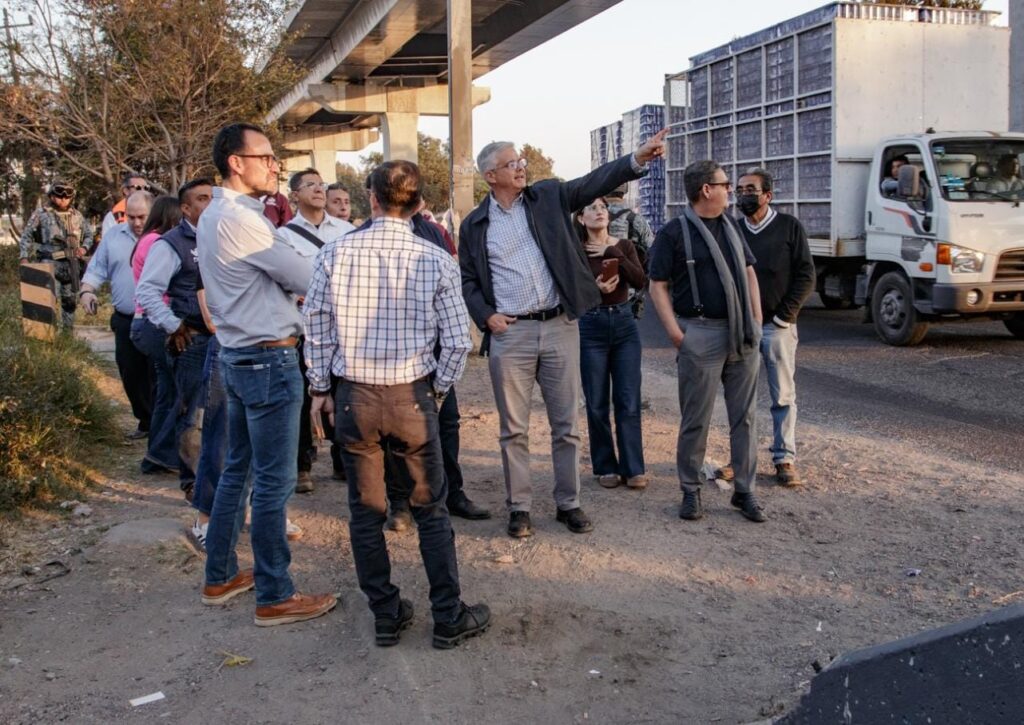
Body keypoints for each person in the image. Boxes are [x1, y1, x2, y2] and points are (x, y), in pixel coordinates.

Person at [303, 159, 489, 649]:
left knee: (365, 511)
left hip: (355, 396)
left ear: (372, 198)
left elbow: (317, 327)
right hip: (412, 395)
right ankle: (447, 614)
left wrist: (319, 388)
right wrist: (438, 392)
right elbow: (458, 341)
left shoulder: (335, 253)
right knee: (431, 508)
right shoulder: (436, 259)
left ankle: (385, 613)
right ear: (419, 203)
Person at [459, 130, 666, 539]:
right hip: (511, 335)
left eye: (521, 161)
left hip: (559, 327)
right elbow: (467, 279)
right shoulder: (475, 225)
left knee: (566, 425)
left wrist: (636, 159)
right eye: (511, 164)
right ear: (490, 176)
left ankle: (568, 503)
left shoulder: (549, 197)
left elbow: (594, 182)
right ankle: (519, 507)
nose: (521, 168)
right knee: (514, 429)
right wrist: (486, 316)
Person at [197, 122, 335, 626]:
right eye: (266, 157)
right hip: (267, 358)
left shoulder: (220, 214)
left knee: (239, 470)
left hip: (240, 354)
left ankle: (220, 575)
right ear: (237, 162)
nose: (275, 166)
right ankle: (275, 593)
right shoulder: (241, 219)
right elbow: (303, 276)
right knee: (274, 482)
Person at [648, 159, 766, 524]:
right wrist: (676, 334)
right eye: (725, 184)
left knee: (745, 419)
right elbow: (657, 286)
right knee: (696, 420)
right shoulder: (673, 233)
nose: (731, 190)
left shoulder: (732, 227)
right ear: (706, 190)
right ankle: (691, 490)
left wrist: (757, 319)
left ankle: (744, 491)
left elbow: (749, 272)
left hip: (742, 332)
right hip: (699, 334)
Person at [135, 180, 216, 503]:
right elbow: (147, 291)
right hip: (194, 341)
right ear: (185, 208)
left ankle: (221, 481)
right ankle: (194, 483)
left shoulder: (226, 236)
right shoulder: (171, 243)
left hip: (230, 339)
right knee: (193, 414)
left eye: (213, 198)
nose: (210, 204)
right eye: (202, 199)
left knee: (226, 414)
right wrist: (173, 324)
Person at [733, 168, 815, 487]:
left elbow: (806, 276)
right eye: (740, 190)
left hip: (777, 327)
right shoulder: (734, 229)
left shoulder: (789, 227)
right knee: (742, 397)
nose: (744, 195)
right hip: (743, 328)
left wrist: (784, 317)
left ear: (767, 195)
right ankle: (741, 458)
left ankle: (784, 458)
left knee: (782, 395)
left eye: (750, 190)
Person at [278, 168, 355, 493]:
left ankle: (343, 460)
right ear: (294, 195)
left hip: (345, 329)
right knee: (301, 398)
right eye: (309, 185)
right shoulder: (283, 236)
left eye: (320, 184)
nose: (318, 189)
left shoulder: (347, 231)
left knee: (346, 394)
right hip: (305, 330)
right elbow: (281, 282)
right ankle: (302, 465)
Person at [573, 197, 648, 490]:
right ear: (581, 218)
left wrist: (612, 252)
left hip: (624, 324)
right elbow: (570, 290)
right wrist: (594, 289)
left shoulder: (623, 246)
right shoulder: (576, 250)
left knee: (628, 400)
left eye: (603, 207)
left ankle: (633, 468)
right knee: (596, 402)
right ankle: (605, 466)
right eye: (591, 208)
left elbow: (640, 280)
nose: (599, 211)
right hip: (590, 326)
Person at [79, 191, 155, 439]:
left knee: (157, 373)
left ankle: (161, 425)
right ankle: (145, 420)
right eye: (131, 217)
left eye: (141, 216)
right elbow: (97, 269)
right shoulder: (113, 236)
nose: (136, 222)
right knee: (130, 372)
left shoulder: (163, 237)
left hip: (156, 320)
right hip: (125, 318)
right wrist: (87, 291)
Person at [128, 196, 185, 477]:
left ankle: (157, 455)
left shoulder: (147, 240)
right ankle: (162, 453)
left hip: (146, 322)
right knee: (174, 390)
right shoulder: (157, 242)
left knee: (166, 391)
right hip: (156, 322)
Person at [19, 180, 93, 329]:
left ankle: (67, 334)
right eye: (59, 195)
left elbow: (88, 235)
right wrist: (24, 257)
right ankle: (47, 334)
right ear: (52, 196)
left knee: (70, 301)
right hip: (49, 263)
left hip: (71, 265)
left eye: (67, 196)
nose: (63, 198)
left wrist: (84, 248)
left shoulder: (77, 215)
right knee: (48, 300)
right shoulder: (41, 214)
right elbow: (27, 236)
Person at [604, 184, 655, 319]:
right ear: (624, 193)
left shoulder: (592, 217)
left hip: (597, 289)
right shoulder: (637, 220)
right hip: (629, 291)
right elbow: (652, 250)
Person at [102, 173, 152, 237]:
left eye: (146, 188)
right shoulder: (113, 217)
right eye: (138, 187)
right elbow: (107, 240)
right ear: (126, 191)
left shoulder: (155, 212)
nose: (143, 191)